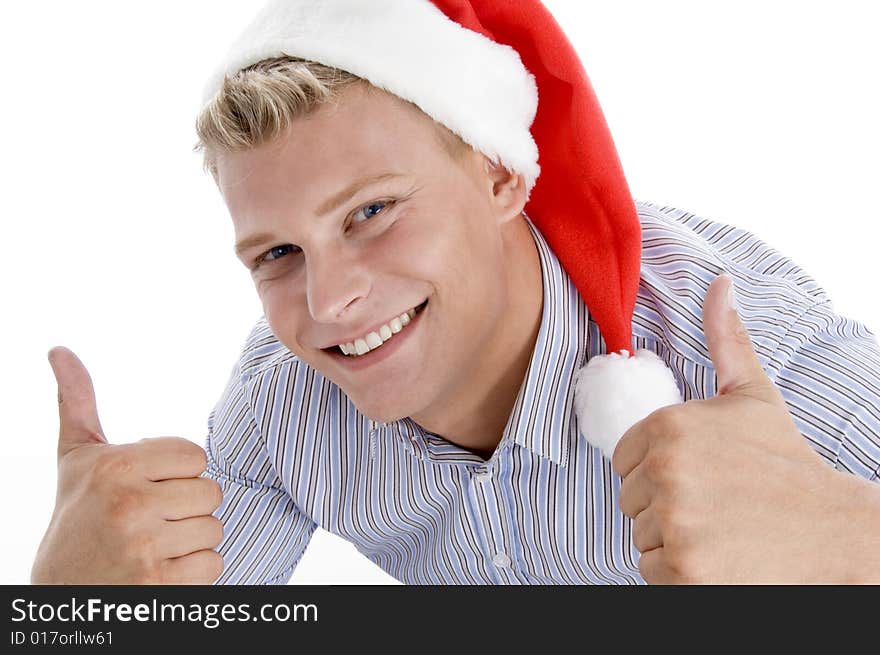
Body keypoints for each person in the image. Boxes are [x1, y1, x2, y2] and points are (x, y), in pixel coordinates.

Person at [32, 0, 880, 585]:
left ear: (504, 175)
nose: (329, 301)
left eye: (371, 211)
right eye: (279, 251)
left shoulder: (744, 360)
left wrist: (849, 538)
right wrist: (69, 607)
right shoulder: (283, 403)